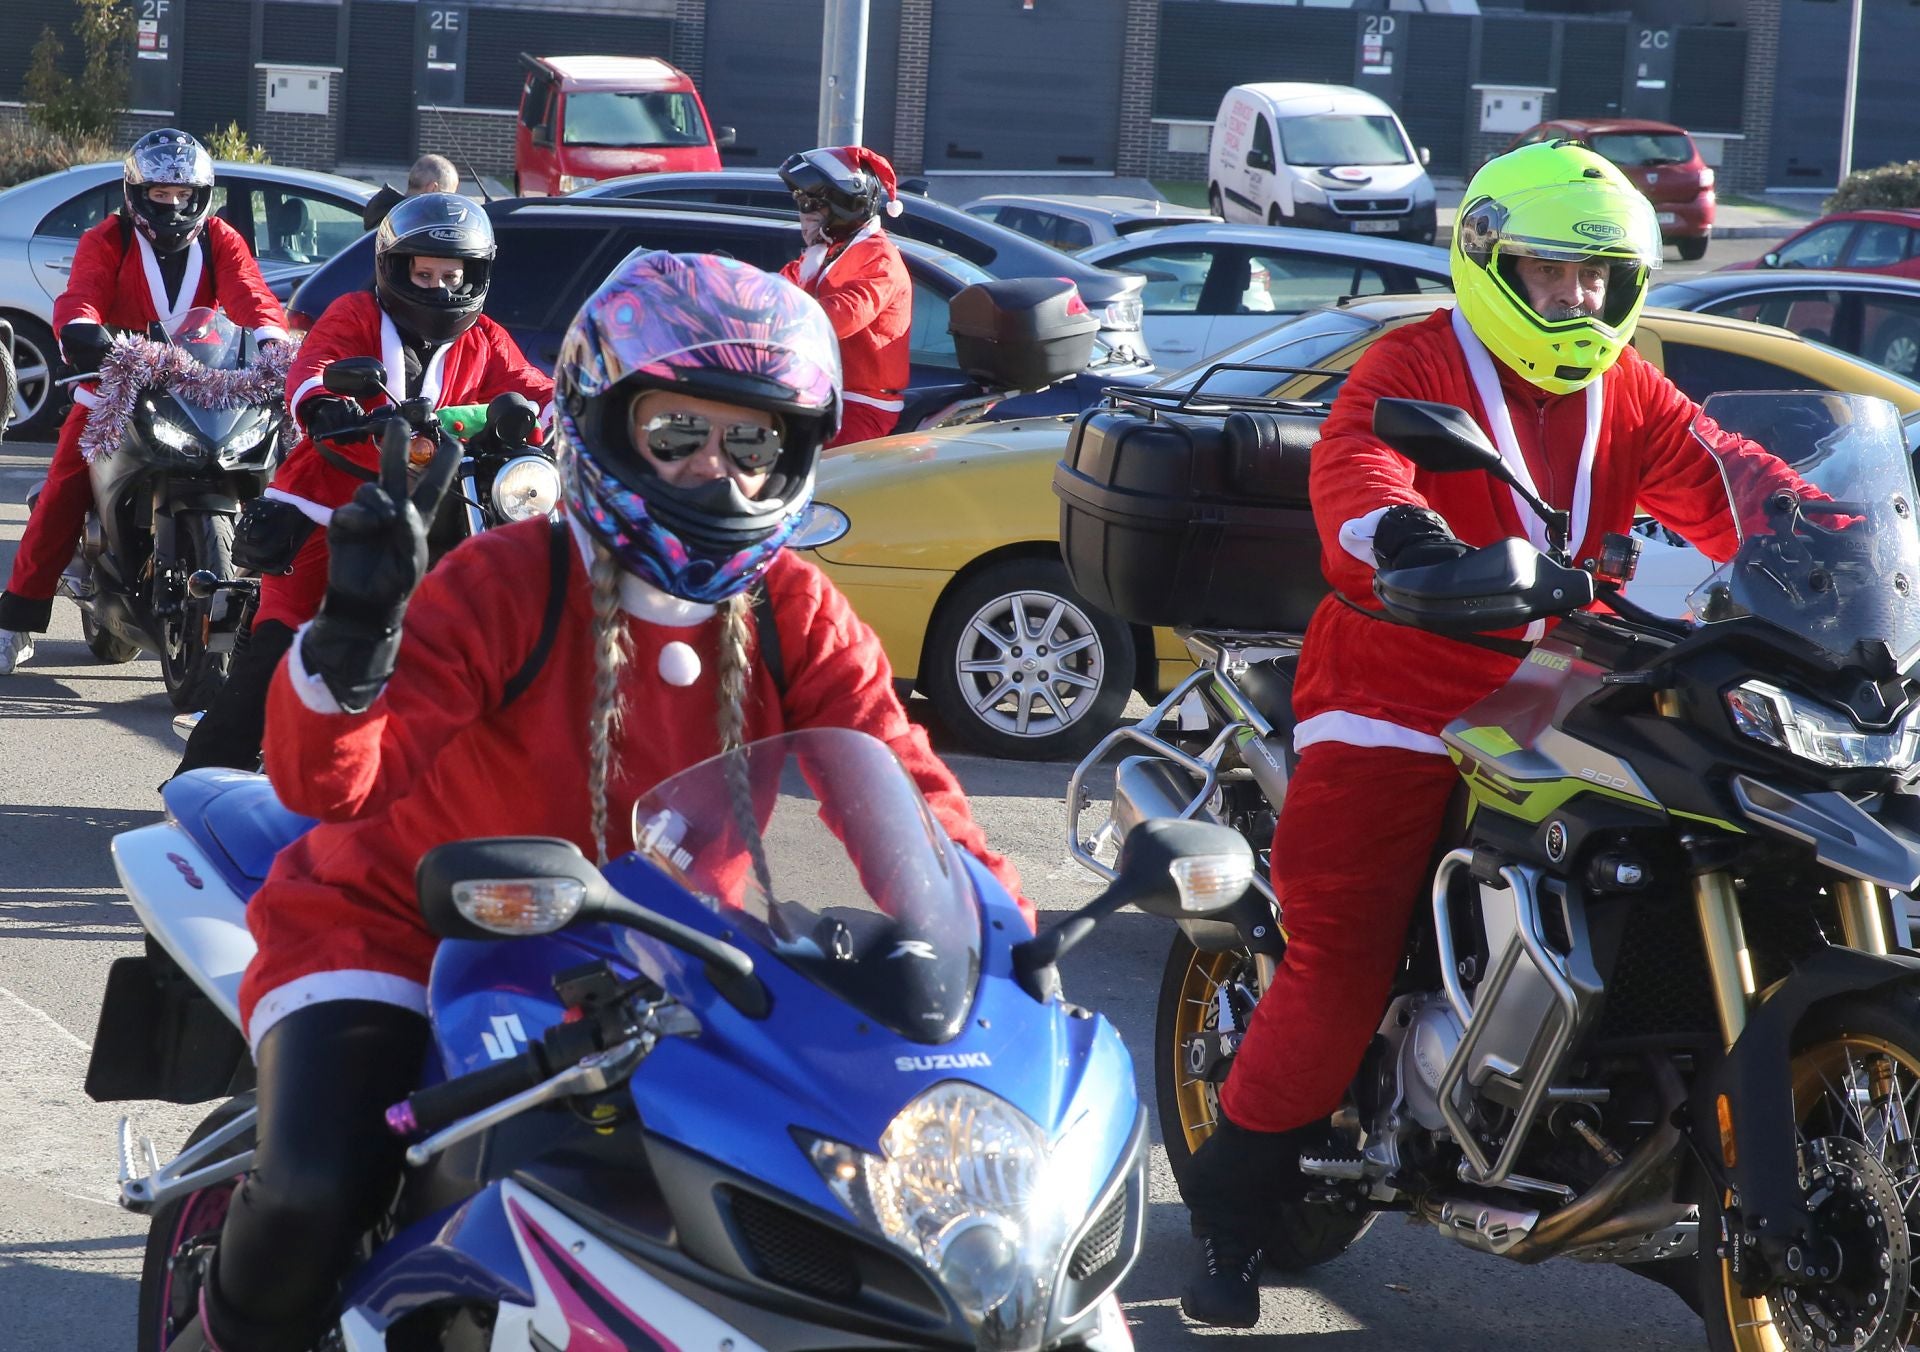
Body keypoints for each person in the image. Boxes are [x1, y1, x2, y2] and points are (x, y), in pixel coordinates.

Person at [161, 250, 1025, 1351]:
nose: (719, 473)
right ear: (606, 423)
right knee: (313, 1187)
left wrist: (998, 940)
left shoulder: (794, 603)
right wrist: (350, 642)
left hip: (676, 960)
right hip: (404, 931)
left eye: (753, 443)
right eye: (679, 433)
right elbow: (330, 781)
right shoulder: (509, 578)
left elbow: (898, 776)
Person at [1177, 140, 1818, 1327]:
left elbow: (1733, 477)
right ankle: (1233, 1196)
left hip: (1571, 681)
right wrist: (1408, 541)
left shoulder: (1629, 388)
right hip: (1398, 682)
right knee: (1340, 947)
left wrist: (1827, 531)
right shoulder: (1411, 363)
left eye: (1600, 281)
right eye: (1553, 273)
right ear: (1485, 258)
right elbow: (1361, 471)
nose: (1579, 302)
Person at [174, 191, 550, 774]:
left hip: (445, 512)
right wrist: (325, 405)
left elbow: (533, 385)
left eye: (453, 275)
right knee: (277, 647)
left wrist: (580, 410)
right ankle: (195, 790)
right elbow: (316, 365)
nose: (439, 289)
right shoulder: (355, 314)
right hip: (329, 503)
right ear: (395, 269)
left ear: (476, 274)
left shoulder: (486, 339)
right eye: (423, 273)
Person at [0, 129, 288, 674]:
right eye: (161, 194)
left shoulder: (221, 238)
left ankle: (288, 616)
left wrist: (272, 339)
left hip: (202, 386)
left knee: (281, 473)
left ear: (203, 195)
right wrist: (83, 329)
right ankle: (15, 622)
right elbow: (80, 294)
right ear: (136, 193)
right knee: (66, 481)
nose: (174, 205)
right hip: (115, 385)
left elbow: (251, 294)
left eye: (185, 195)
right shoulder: (106, 239)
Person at [778, 145, 911, 446]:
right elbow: (777, 286)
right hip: (820, 391)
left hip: (860, 404)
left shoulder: (879, 259)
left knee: (814, 478)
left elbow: (844, 314)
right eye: (800, 202)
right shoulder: (825, 252)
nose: (804, 213)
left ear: (845, 205)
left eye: (813, 204)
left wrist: (781, 316)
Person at [359, 152, 461, 234]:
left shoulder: (383, 209)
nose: (447, 204)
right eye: (448, 196)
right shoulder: (416, 228)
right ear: (433, 188)